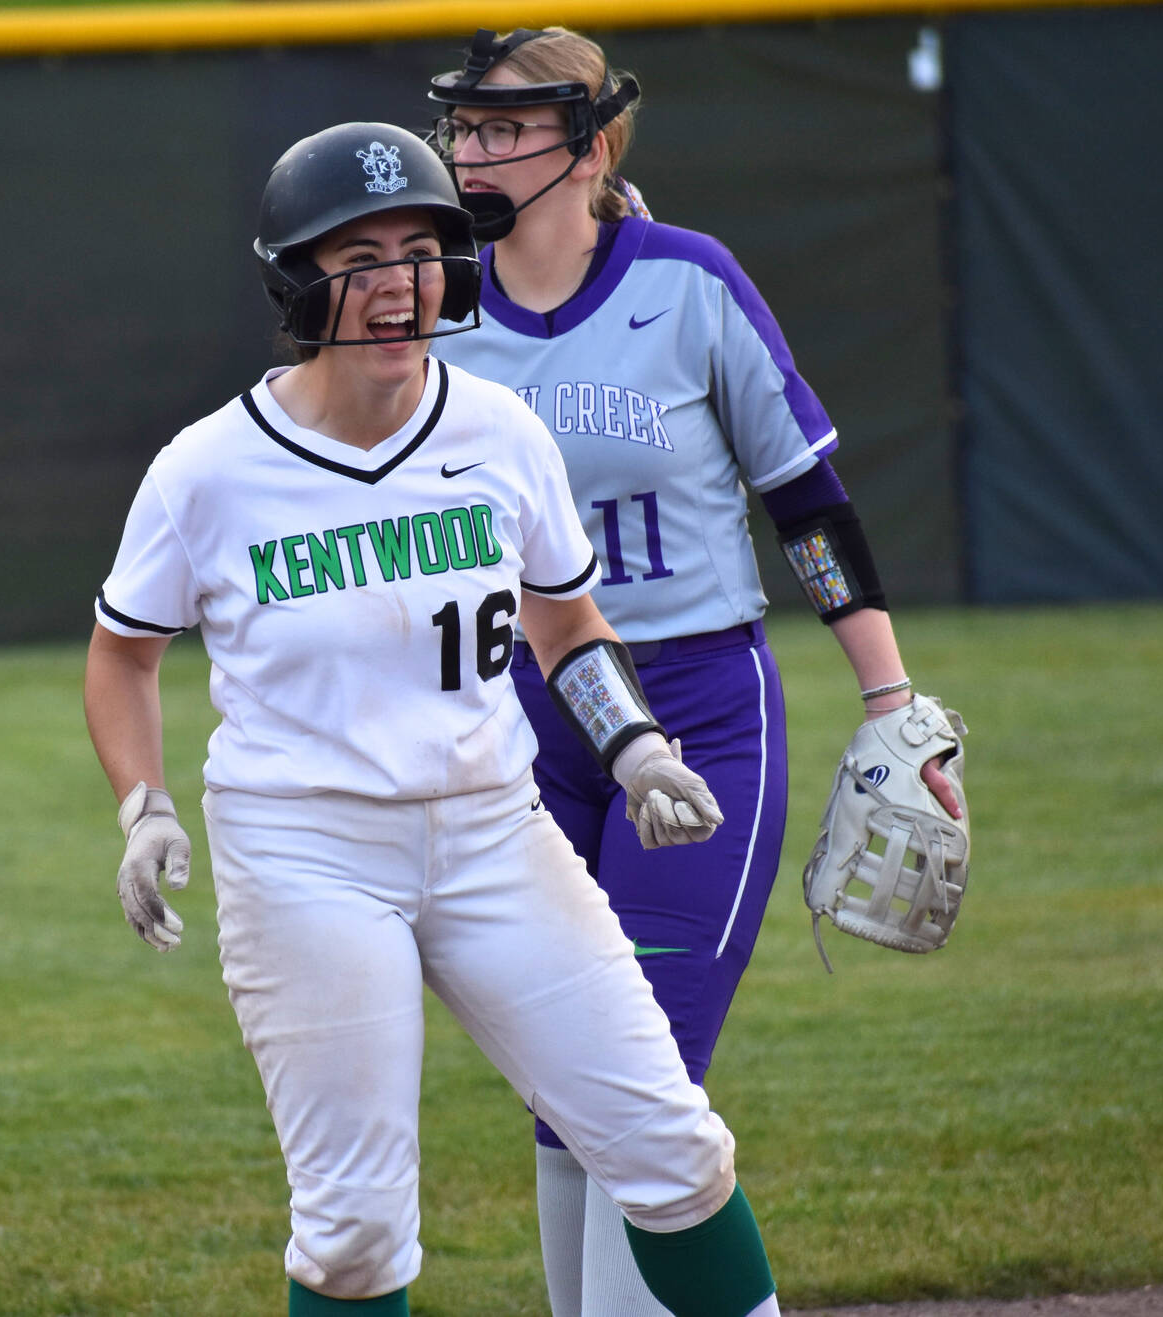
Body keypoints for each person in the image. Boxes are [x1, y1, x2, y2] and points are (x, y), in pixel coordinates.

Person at [82, 120, 785, 1317]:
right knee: (354, 1230)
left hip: (490, 830)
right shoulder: (207, 469)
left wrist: (634, 745)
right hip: (305, 851)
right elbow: (122, 655)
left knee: (672, 1150)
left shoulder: (497, 429)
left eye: (419, 252)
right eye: (358, 258)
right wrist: (142, 807)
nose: (396, 285)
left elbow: (566, 624)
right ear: (296, 282)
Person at [422, 28, 966, 1317]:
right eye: (464, 128)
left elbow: (806, 505)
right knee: (564, 1070)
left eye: (504, 128)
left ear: (588, 148)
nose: (471, 153)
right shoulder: (433, 309)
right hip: (524, 717)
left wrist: (891, 701)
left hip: (699, 707)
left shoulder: (687, 281)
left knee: (641, 1063)